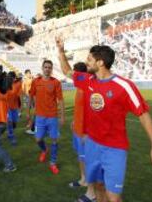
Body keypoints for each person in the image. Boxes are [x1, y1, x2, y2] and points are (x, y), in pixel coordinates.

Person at [56, 37, 152, 202]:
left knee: (113, 197)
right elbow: (67, 71)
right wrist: (61, 52)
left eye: (90, 59)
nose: (86, 62)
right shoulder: (88, 81)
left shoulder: (124, 86)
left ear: (100, 63)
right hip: (92, 144)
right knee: (99, 187)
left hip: (115, 149)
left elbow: (143, 114)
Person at [29, 60, 65, 175]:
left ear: (51, 69)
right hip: (39, 117)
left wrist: (62, 116)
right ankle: (44, 150)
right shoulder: (36, 82)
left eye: (49, 67)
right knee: (38, 139)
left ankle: (53, 163)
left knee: (54, 139)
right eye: (45, 67)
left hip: (52, 116)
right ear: (42, 68)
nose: (47, 69)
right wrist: (28, 112)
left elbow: (60, 100)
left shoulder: (56, 83)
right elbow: (30, 96)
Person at [68, 62, 96, 202]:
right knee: (81, 157)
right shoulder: (80, 87)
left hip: (85, 132)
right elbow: (79, 107)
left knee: (88, 160)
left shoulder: (88, 87)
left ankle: (91, 193)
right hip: (78, 128)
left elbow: (92, 112)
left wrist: (87, 131)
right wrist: (74, 120)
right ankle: (83, 180)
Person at [6, 71, 22, 146]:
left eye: (10, 78)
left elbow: (18, 95)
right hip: (7, 107)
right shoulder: (5, 85)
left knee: (14, 123)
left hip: (14, 106)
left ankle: (10, 132)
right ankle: (11, 136)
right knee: (10, 121)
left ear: (13, 78)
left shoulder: (18, 84)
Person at [22, 69, 34, 135]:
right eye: (29, 73)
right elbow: (23, 89)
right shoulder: (25, 80)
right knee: (28, 111)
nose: (30, 74)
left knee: (33, 110)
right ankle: (29, 123)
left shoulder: (32, 79)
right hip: (27, 97)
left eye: (30, 73)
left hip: (33, 97)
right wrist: (24, 97)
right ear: (26, 74)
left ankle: (31, 123)